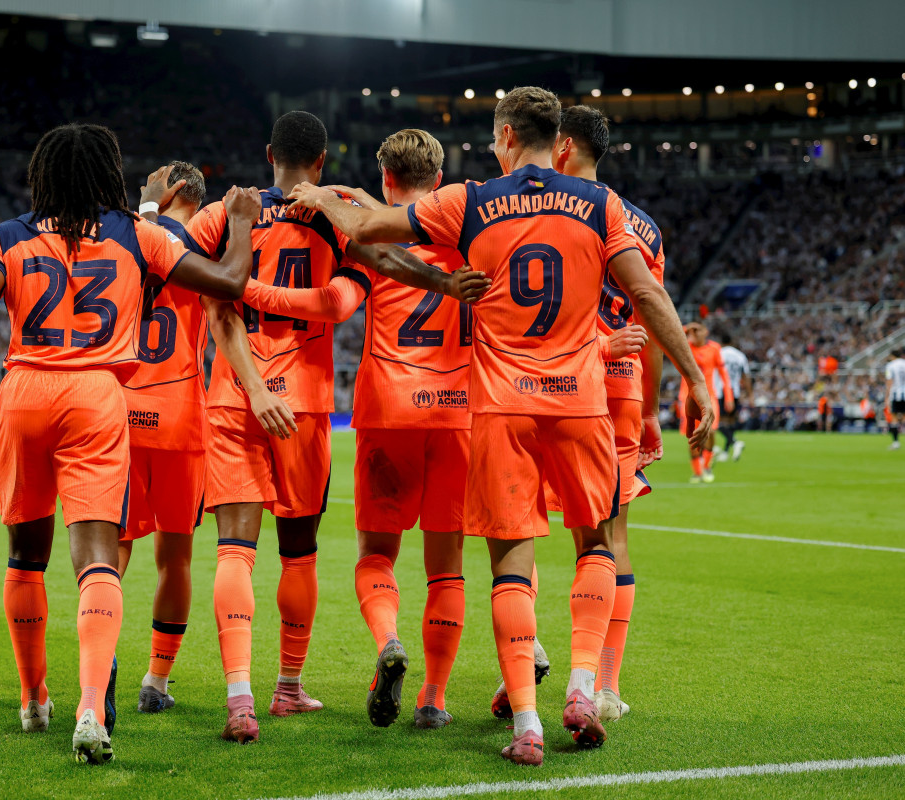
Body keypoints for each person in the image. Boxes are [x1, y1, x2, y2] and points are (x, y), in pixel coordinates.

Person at [287, 86, 713, 766]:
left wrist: (322, 199)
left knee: (509, 564)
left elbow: (368, 231)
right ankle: (581, 686)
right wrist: (693, 378)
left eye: (493, 138)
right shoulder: (602, 206)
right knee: (596, 543)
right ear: (561, 142)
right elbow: (644, 293)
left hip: (498, 405)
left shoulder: (471, 200)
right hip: (577, 400)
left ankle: (525, 724)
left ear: (508, 136)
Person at [0, 123, 262, 764]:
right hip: (97, 396)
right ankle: (92, 706)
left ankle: (35, 701)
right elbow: (228, 283)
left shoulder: (5, 235)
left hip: (25, 390)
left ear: (43, 175)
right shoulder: (138, 234)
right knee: (97, 558)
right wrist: (245, 222)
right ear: (108, 176)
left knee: (25, 558)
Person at [186, 111, 485, 744]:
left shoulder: (226, 211)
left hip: (232, 396)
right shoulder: (333, 214)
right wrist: (443, 282)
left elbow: (207, 292)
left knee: (235, 550)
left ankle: (238, 696)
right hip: (307, 404)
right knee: (299, 551)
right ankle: (288, 688)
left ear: (269, 153)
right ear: (322, 163)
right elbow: (374, 274)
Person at [117, 161, 295, 715]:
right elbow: (224, 305)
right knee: (176, 558)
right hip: (178, 417)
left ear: (171, 189)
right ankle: (156, 681)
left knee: (110, 554)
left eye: (151, 178)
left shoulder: (123, 238)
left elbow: (142, 232)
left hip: (118, 411)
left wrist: (146, 207)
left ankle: (100, 668)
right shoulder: (201, 254)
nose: (143, 184)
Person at [547, 105, 665, 724]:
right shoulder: (642, 226)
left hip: (550, 383)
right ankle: (603, 685)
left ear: (562, 145)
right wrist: (650, 409)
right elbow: (652, 311)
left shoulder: (561, 209)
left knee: (513, 531)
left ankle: (523, 660)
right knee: (610, 539)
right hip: (621, 394)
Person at [679, 323, 732, 483]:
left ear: (706, 332)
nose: (695, 333)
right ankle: (697, 472)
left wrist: (728, 397)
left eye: (699, 330)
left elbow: (724, 373)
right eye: (693, 332)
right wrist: (687, 328)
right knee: (692, 435)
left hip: (709, 397)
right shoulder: (686, 346)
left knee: (711, 431)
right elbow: (674, 335)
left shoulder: (714, 349)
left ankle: (707, 466)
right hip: (687, 397)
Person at [715, 332, 750, 461]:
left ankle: (735, 443)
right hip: (735, 392)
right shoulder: (740, 356)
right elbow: (746, 376)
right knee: (730, 422)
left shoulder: (718, 353)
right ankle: (725, 452)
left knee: (717, 422)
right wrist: (750, 395)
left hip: (721, 391)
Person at [885, 348, 905, 450]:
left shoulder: (890, 366)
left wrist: (887, 397)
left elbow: (889, 382)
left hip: (896, 394)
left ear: (892, 356)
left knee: (894, 419)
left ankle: (896, 443)